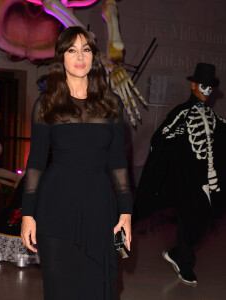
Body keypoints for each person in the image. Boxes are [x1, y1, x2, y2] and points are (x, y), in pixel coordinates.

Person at [21, 26, 132, 300]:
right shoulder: (46, 104)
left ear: (94, 56)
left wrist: (126, 214)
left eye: (86, 49)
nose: (79, 56)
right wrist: (27, 214)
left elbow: (118, 163)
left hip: (98, 205)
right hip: (55, 205)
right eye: (72, 50)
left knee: (97, 286)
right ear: (62, 57)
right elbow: (35, 163)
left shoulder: (112, 104)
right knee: (60, 288)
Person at [135, 63, 226, 285]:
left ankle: (177, 253)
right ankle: (185, 263)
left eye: (209, 87)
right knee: (188, 220)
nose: (206, 91)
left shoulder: (212, 116)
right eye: (202, 86)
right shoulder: (182, 113)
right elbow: (160, 137)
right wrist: (174, 134)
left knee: (203, 223)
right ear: (194, 85)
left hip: (206, 179)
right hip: (186, 179)